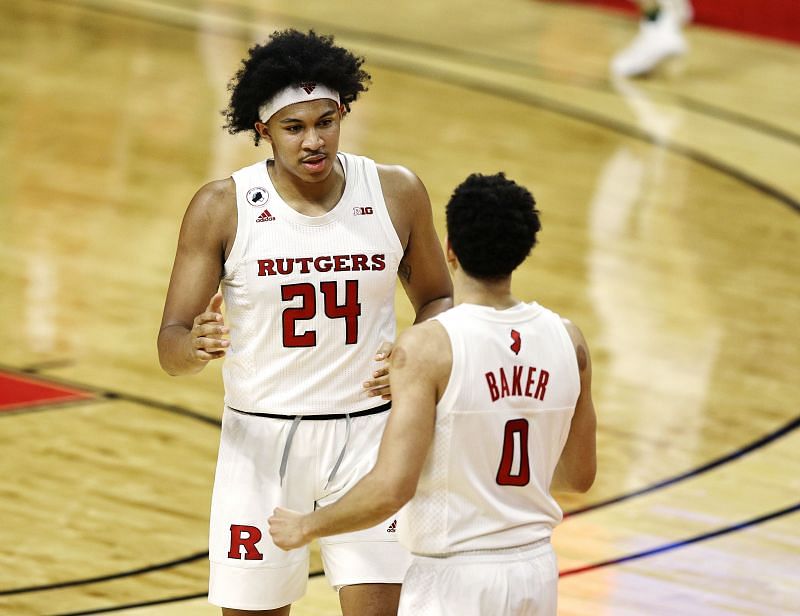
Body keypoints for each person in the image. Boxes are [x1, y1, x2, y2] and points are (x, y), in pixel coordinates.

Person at [157, 29, 453, 616]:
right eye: (295, 127)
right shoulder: (222, 206)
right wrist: (196, 345)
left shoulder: (395, 192)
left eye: (327, 121)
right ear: (262, 131)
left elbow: (439, 299)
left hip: (372, 437)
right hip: (261, 444)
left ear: (343, 112)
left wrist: (412, 358)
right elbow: (170, 343)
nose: (314, 141)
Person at [268, 172, 597, 615]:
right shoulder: (569, 341)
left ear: (449, 250)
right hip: (535, 574)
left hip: (454, 579)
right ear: (523, 251)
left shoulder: (428, 348)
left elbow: (391, 488)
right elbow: (578, 476)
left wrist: (307, 526)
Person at [611, 0, 692, 77]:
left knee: (618, 66)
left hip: (660, 35)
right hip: (672, 26)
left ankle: (660, 36)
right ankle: (667, 33)